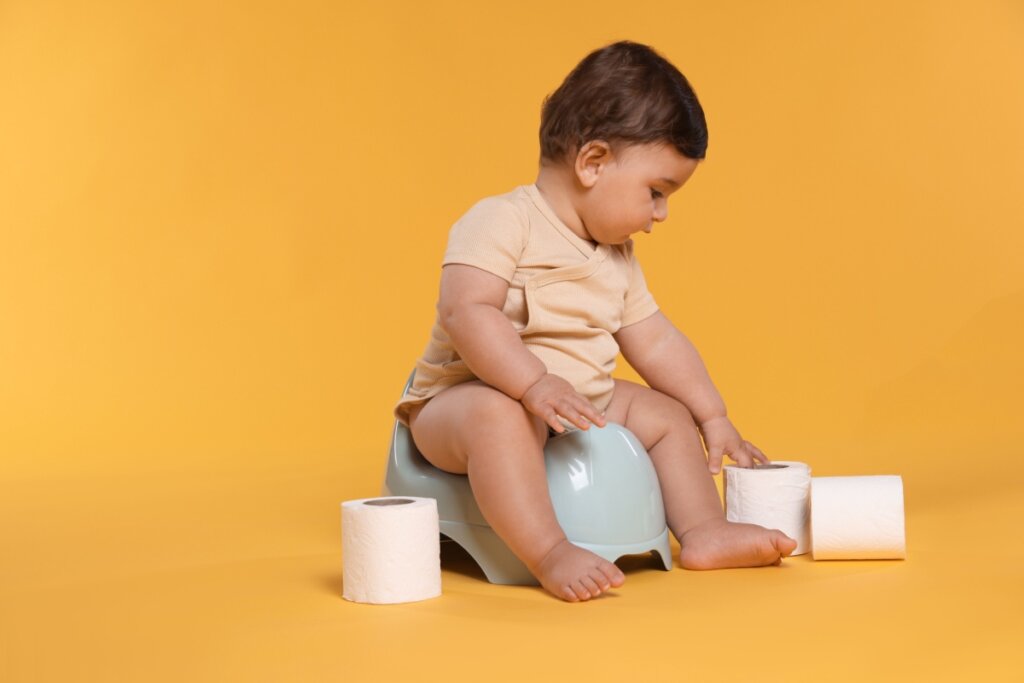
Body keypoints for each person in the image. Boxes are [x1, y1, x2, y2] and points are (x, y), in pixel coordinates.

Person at [395, 40, 796, 602]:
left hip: (573, 401)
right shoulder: (502, 221)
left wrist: (713, 415)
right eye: (656, 192)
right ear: (593, 162)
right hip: (463, 403)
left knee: (667, 413)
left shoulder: (617, 256)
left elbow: (657, 340)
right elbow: (467, 311)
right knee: (498, 416)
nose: (661, 214)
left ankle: (704, 529)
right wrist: (532, 383)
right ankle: (548, 550)